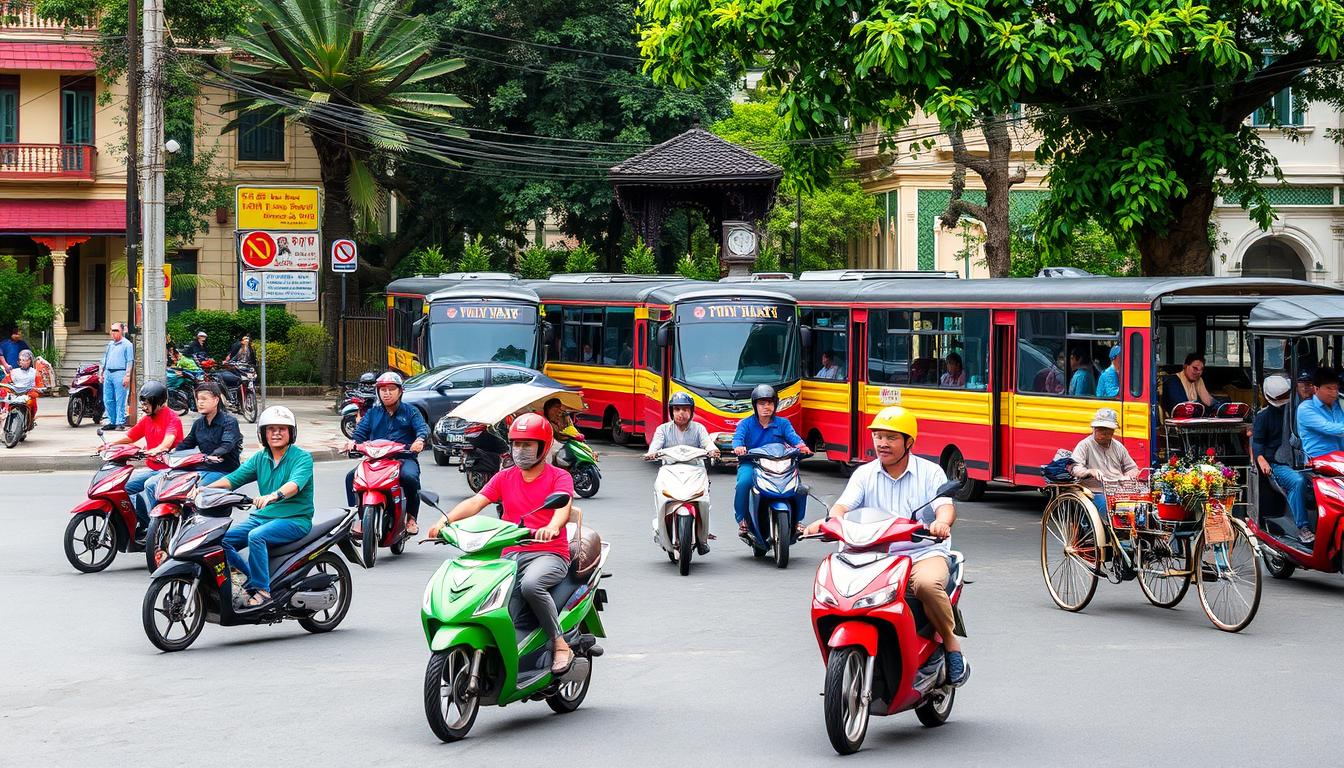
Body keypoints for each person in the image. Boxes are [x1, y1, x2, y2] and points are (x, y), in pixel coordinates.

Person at [803, 406, 969, 687]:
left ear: (909, 443)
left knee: (928, 585)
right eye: (878, 436)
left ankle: (952, 648)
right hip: (872, 556)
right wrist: (829, 521)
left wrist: (941, 523)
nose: (882, 443)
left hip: (921, 552)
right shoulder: (864, 474)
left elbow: (945, 508)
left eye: (891, 438)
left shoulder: (930, 473)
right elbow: (844, 506)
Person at [427, 414, 577, 674]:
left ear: (543, 446)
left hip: (549, 553)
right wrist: (444, 521)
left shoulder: (559, 477)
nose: (520, 451)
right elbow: (476, 502)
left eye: (528, 445)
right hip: (509, 554)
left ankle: (560, 643)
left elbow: (562, 508)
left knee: (531, 586)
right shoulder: (505, 477)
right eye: (516, 444)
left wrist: (552, 527)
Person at [198, 406, 314, 607]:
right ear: (263, 433)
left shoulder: (301, 457)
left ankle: (262, 591)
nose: (276, 433)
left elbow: (294, 485)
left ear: (291, 432)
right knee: (220, 540)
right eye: (271, 429)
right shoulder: (261, 458)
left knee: (256, 536)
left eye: (282, 429)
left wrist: (274, 495)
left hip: (294, 519)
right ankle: (245, 581)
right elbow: (234, 479)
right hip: (262, 517)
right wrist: (203, 489)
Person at [344, 371, 429, 535]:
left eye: (391, 389)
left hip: (403, 458)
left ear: (400, 391)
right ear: (378, 392)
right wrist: (352, 443)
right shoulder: (373, 413)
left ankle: (411, 517)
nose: (387, 393)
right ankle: (359, 517)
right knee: (351, 477)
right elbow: (360, 433)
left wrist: (419, 440)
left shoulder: (411, 412)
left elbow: (422, 429)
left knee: (409, 478)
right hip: (376, 459)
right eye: (383, 389)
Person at [143, 382, 242, 515]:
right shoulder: (198, 423)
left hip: (222, 470)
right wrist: (170, 454)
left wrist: (212, 456)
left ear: (216, 400)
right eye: (198, 399)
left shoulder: (230, 422)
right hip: (200, 467)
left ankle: (188, 523)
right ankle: (158, 523)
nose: (200, 402)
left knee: (195, 491)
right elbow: (186, 444)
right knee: (152, 484)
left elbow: (227, 445)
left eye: (204, 399)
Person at [103, 382, 184, 537]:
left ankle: (158, 526)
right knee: (123, 487)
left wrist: (154, 450)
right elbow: (130, 436)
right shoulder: (147, 419)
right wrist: (110, 444)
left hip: (169, 470)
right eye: (143, 404)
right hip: (153, 468)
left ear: (159, 403)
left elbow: (167, 443)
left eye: (147, 404)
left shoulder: (173, 419)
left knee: (149, 485)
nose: (144, 407)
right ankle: (143, 522)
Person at [731, 384, 811, 534]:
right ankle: (742, 519)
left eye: (770, 403)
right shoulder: (746, 424)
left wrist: (802, 446)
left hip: (780, 464)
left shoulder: (783, 423)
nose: (766, 407)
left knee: (800, 489)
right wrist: (739, 447)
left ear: (775, 404)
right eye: (762, 403)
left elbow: (794, 438)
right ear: (755, 406)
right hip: (752, 464)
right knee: (744, 483)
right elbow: (737, 439)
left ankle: (797, 521)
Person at [1252, 375, 1313, 544]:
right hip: (1277, 463)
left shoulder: (1297, 408)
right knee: (1297, 481)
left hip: (1301, 459)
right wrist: (1261, 459)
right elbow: (1257, 441)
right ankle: (1302, 527)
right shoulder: (1263, 417)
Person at [1068, 408, 1139, 517]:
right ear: (1094, 429)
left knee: (1140, 508)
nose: (1105, 434)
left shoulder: (1118, 446)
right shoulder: (1084, 445)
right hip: (1095, 491)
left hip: (1118, 490)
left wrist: (1129, 476)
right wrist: (1090, 471)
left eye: (1108, 431)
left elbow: (1132, 468)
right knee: (1107, 507)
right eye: (1101, 430)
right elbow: (1075, 468)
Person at [645, 392, 719, 457]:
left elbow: (707, 443)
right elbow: (656, 444)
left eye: (685, 409)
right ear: (672, 412)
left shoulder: (699, 428)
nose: (681, 413)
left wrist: (713, 450)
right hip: (669, 467)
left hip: (695, 467)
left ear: (691, 412)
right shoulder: (662, 429)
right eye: (677, 409)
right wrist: (651, 453)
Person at [1296, 366, 1344, 462]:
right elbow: (1329, 428)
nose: (1334, 393)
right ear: (1316, 389)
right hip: (1318, 461)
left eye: (1336, 388)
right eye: (1329, 389)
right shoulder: (1306, 408)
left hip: (1340, 458)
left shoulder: (1339, 405)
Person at [100, 322, 134, 430]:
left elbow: (129, 361)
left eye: (116, 330)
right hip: (108, 373)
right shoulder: (110, 345)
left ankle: (120, 422)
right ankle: (112, 421)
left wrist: (127, 376)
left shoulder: (127, 344)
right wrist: (101, 372)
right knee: (108, 399)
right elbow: (105, 358)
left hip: (120, 372)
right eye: (112, 330)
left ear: (122, 331)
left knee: (120, 399)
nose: (113, 333)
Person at [1, 349, 43, 423]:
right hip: (14, 395)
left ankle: (30, 420)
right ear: (19, 361)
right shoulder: (14, 372)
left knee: (33, 405)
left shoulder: (35, 373)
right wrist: (5, 390)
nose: (24, 362)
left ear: (31, 361)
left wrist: (38, 390)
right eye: (22, 360)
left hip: (28, 395)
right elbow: (5, 382)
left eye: (27, 360)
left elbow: (39, 385)